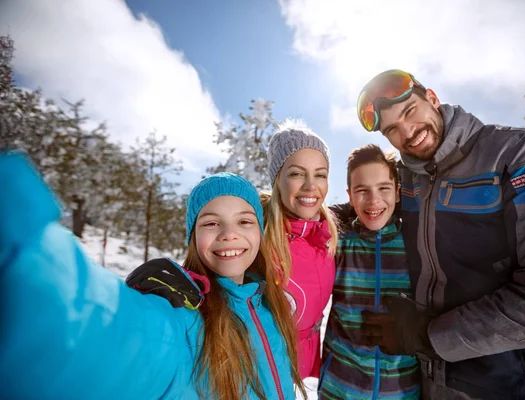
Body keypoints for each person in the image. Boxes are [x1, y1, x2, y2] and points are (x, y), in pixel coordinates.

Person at [350, 70, 525, 399]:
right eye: (392, 129)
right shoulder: (406, 179)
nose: (408, 133)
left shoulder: (522, 153)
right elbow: (370, 205)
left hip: (512, 384)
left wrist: (428, 335)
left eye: (410, 111)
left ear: (433, 98)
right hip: (429, 383)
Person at [0, 150, 306, 400]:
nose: (229, 234)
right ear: (193, 237)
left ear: (260, 231)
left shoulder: (270, 305)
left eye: (244, 222)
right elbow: (107, 342)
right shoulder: (184, 316)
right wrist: (24, 259)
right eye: (211, 223)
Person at [320, 144, 420, 399]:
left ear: (398, 193)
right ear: (350, 197)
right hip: (339, 388)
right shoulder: (339, 241)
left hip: (401, 391)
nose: (373, 200)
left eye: (383, 189)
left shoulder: (416, 244)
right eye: (362, 191)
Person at [261, 119, 338, 379]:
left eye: (320, 174)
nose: (310, 185)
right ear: (277, 180)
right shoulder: (257, 235)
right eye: (296, 173)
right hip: (263, 369)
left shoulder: (326, 237)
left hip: (306, 369)